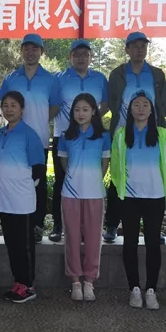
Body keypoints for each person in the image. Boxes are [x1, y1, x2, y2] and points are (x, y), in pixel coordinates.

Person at [103, 31, 166, 243]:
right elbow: (111, 102)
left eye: (143, 46)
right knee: (117, 177)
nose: (139, 50)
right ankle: (112, 224)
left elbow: (162, 103)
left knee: (154, 176)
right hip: (123, 133)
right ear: (127, 49)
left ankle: (154, 228)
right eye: (135, 46)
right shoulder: (117, 74)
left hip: (151, 132)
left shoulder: (157, 74)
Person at [111, 90, 166, 310]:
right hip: (130, 197)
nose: (141, 108)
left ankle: (151, 289)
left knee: (153, 243)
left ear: (152, 110)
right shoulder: (120, 134)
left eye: (146, 104)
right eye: (136, 104)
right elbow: (115, 165)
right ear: (130, 109)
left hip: (155, 196)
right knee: (130, 243)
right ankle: (134, 288)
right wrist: (122, 187)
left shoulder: (162, 134)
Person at [0, 34, 61, 244]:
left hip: (39, 140)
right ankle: (15, 221)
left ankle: (36, 225)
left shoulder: (50, 79)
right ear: (21, 51)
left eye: (35, 48)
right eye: (26, 48)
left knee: (38, 183)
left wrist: (39, 121)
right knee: (14, 180)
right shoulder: (11, 78)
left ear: (41, 52)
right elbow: (5, 105)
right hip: (13, 141)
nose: (30, 52)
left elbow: (55, 107)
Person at [51, 40, 109, 243]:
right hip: (64, 136)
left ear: (91, 57)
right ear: (70, 57)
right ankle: (58, 225)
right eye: (77, 54)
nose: (81, 58)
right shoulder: (59, 78)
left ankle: (87, 228)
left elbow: (106, 103)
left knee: (90, 179)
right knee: (62, 180)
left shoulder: (100, 78)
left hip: (92, 136)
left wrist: (91, 122)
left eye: (85, 54)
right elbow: (53, 104)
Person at [57, 93, 110, 302]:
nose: (81, 113)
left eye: (85, 109)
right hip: (70, 193)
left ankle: (89, 281)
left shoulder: (103, 136)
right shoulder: (65, 136)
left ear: (94, 112)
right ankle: (75, 281)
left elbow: (104, 164)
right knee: (71, 237)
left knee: (93, 238)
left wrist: (92, 180)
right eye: (77, 109)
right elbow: (64, 164)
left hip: (95, 193)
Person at [0, 91, 46, 303]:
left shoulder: (29, 134)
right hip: (4, 199)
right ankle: (18, 282)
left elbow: (39, 169)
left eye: (13, 105)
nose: (9, 109)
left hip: (22, 200)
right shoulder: (0, 134)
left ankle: (28, 286)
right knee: (11, 243)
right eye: (5, 105)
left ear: (22, 109)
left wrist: (23, 186)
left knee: (24, 245)